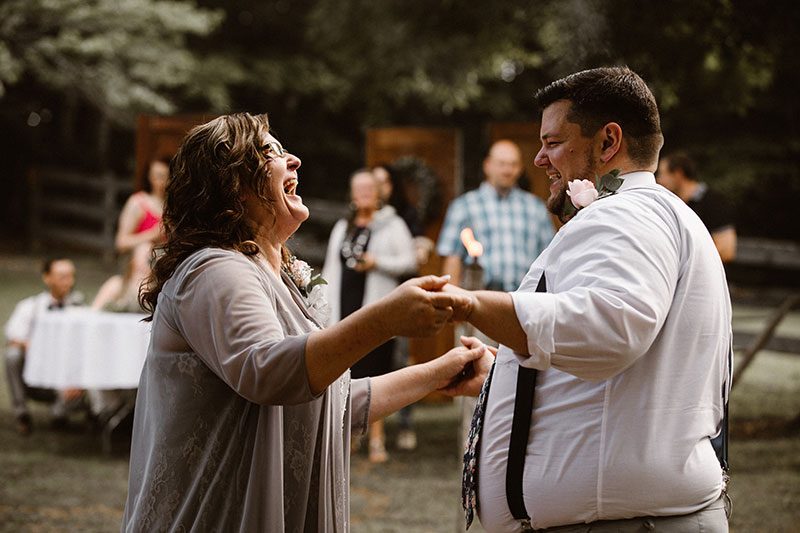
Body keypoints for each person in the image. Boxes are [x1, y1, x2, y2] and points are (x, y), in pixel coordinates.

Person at [122, 112, 492, 531]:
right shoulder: (215, 270)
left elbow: (332, 404)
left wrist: (438, 373)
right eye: (270, 152)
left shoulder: (271, 274)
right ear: (232, 186)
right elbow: (269, 372)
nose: (293, 160)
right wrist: (385, 319)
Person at [447, 67, 732, 532]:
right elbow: (632, 373)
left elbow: (612, 328)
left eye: (553, 142)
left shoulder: (623, 214)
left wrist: (468, 304)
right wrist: (503, 375)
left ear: (607, 143)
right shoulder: (654, 215)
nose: (538, 159)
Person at [321, 168, 417, 463]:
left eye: (368, 190)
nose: (363, 195)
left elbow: (409, 261)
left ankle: (377, 439)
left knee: (375, 373)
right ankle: (349, 437)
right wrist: (323, 309)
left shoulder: (393, 224)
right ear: (352, 195)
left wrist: (377, 262)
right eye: (358, 190)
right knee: (345, 374)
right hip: (344, 308)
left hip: (376, 311)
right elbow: (330, 268)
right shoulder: (343, 227)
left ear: (377, 194)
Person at [437, 139, 554, 291]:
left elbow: (550, 258)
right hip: (479, 299)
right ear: (487, 165)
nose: (507, 170)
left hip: (525, 300)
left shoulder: (536, 208)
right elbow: (452, 259)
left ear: (520, 168)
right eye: (501, 164)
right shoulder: (463, 206)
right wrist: (451, 302)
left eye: (513, 164)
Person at [4, 258, 85, 434]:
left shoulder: (80, 308)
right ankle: (21, 414)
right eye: (63, 276)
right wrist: (35, 347)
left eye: (71, 276)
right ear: (47, 278)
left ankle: (61, 413)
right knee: (12, 355)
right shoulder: (31, 306)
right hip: (34, 374)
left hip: (63, 377)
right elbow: (12, 336)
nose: (69, 281)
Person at [657, 151, 737, 262]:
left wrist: (684, 264)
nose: (659, 180)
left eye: (662, 174)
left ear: (678, 174)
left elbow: (727, 251)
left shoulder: (713, 201)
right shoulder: (673, 204)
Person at [114, 157, 169, 254]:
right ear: (149, 177)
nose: (161, 181)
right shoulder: (138, 202)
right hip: (141, 260)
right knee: (145, 249)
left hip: (167, 260)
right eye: (157, 176)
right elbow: (121, 243)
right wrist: (152, 235)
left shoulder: (175, 207)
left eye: (165, 176)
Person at [92, 242, 152, 313]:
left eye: (152, 256)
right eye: (145, 255)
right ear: (133, 258)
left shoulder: (157, 289)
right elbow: (94, 310)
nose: (150, 257)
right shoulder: (116, 284)